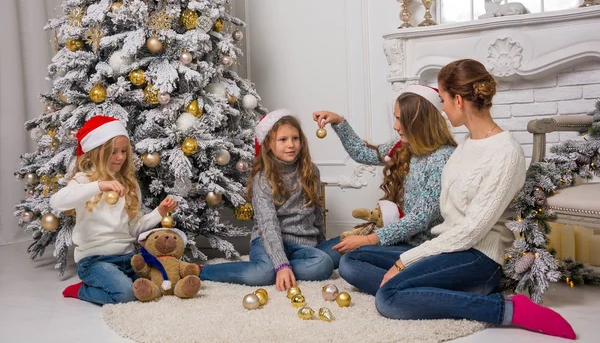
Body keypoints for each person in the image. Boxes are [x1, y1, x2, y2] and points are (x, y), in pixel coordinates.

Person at [346, 59, 575, 340]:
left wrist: (405, 261)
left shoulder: (505, 153)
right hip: (446, 247)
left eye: (442, 99)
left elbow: (470, 232)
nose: (441, 108)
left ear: (458, 100)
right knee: (352, 262)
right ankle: (439, 291)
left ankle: (505, 309)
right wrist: (414, 256)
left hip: (478, 257)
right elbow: (450, 223)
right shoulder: (466, 144)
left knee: (388, 298)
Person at [313, 85, 457, 271]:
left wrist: (367, 240)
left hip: (418, 248)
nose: (396, 126)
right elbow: (363, 153)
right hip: (394, 236)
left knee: (349, 265)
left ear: (421, 121)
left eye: (400, 120)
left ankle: (409, 280)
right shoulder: (405, 146)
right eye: (396, 118)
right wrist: (339, 122)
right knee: (322, 254)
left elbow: (419, 219)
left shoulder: (442, 158)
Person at [200, 109, 333, 291]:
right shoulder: (263, 178)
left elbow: (316, 210)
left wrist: (321, 244)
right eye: (283, 140)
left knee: (325, 262)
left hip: (302, 244)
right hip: (266, 240)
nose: (291, 145)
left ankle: (282, 266)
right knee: (263, 274)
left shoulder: (311, 171)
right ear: (269, 144)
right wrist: (281, 265)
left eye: (295, 138)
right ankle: (203, 271)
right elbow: (267, 224)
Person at [50, 115, 177, 305]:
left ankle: (119, 280)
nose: (120, 157)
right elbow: (57, 202)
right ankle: (82, 290)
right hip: (95, 261)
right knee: (126, 295)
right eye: (113, 152)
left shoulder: (129, 184)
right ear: (97, 152)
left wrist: (159, 212)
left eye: (124, 151)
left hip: (127, 257)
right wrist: (99, 186)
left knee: (158, 285)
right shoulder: (84, 181)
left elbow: (134, 229)